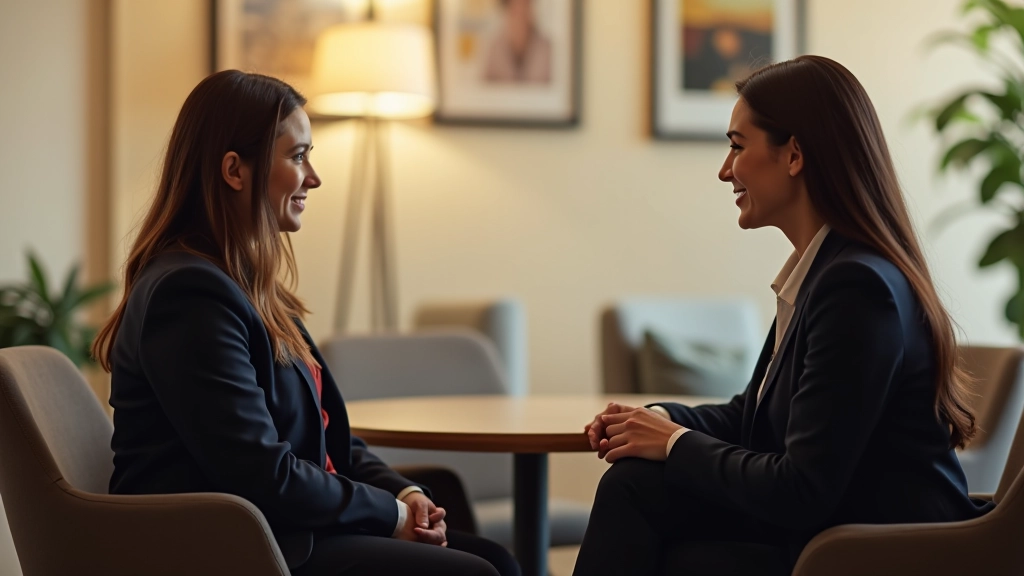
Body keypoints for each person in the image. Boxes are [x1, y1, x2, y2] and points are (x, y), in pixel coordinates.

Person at [575, 55, 994, 576]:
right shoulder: (826, 270)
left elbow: (802, 488)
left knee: (638, 495)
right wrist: (658, 420)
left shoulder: (856, 287)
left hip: (881, 552)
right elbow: (750, 417)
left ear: (794, 155)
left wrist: (674, 445)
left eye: (737, 146)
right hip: (836, 528)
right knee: (635, 484)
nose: (725, 170)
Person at [91, 70, 519, 576]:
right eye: (297, 157)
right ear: (235, 170)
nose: (313, 177)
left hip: (287, 529)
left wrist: (403, 495)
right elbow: (263, 473)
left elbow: (327, 439)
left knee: (494, 558)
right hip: (234, 547)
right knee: (479, 570)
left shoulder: (247, 286)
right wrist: (392, 516)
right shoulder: (189, 295)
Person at [483, 0, 552, 84]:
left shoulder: (545, 47)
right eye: (516, 6)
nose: (521, 10)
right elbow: (483, 86)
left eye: (525, 5)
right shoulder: (494, 47)